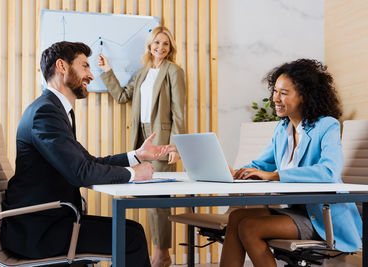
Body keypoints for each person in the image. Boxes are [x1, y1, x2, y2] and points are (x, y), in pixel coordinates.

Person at [1, 41, 176, 267]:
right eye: (85, 66)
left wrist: (137, 155)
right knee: (131, 238)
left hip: (50, 221)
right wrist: (133, 174)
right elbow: (80, 172)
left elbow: (88, 162)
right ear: (62, 67)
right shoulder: (45, 113)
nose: (91, 76)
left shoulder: (54, 109)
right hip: (38, 232)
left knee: (132, 230)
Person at [220, 59, 362, 267]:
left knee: (249, 227)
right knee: (236, 218)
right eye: (275, 91)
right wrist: (238, 171)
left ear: (304, 96)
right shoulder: (282, 129)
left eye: (283, 93)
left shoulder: (326, 126)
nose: (275, 99)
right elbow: (262, 165)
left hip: (323, 218)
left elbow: (329, 171)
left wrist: (276, 175)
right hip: (297, 211)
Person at [98, 26, 185, 267]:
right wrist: (107, 71)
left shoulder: (174, 72)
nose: (161, 47)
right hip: (141, 138)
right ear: (149, 45)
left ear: (170, 48)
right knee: (147, 195)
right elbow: (122, 97)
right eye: (157, 43)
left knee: (160, 198)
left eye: (165, 44)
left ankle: (162, 254)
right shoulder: (143, 72)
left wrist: (176, 147)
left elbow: (178, 112)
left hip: (162, 137)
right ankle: (159, 252)